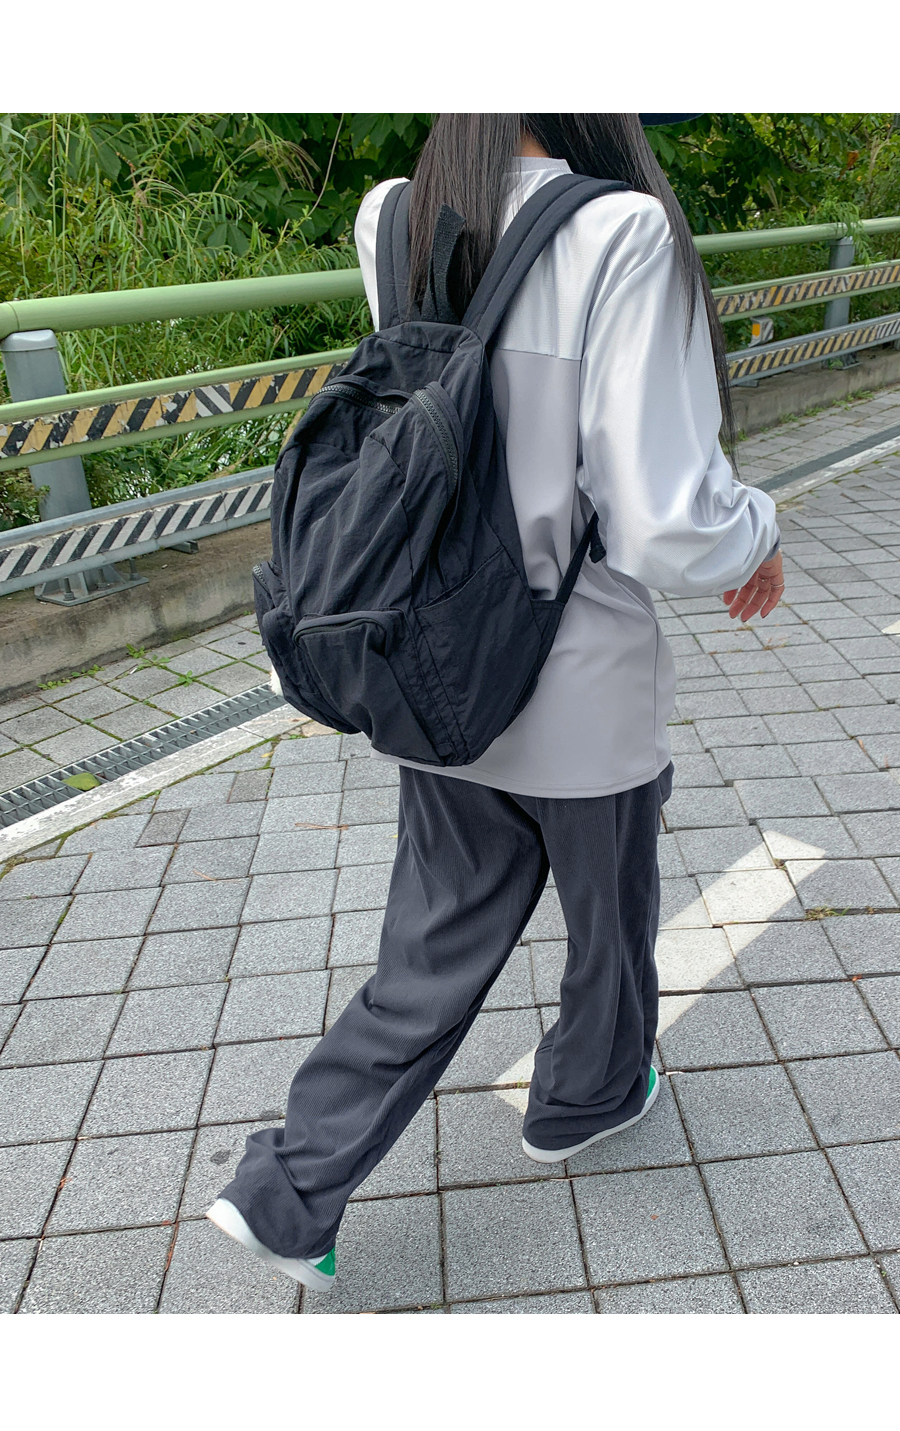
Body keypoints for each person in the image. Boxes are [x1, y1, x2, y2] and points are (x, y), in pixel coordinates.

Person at [207, 114, 783, 1293]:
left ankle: (286, 1192)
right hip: (579, 687)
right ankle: (584, 1098)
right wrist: (756, 536)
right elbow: (660, 515)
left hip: (434, 669)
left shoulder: (393, 215)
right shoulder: (621, 230)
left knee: (427, 952)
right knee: (609, 924)